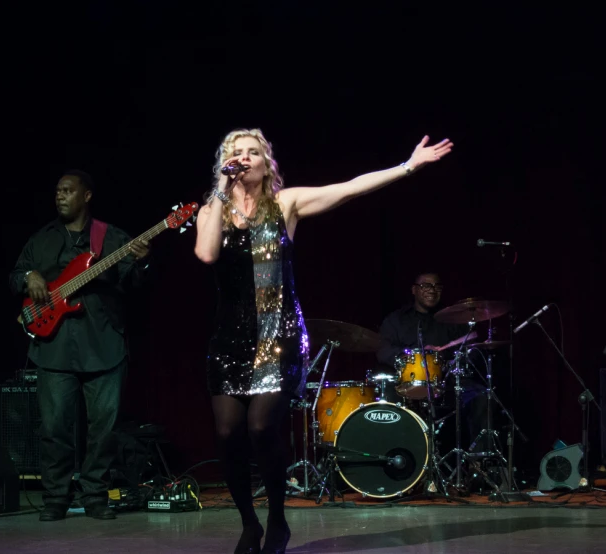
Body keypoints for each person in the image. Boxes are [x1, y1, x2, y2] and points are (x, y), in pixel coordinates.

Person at [194, 129, 453, 553]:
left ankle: (277, 519)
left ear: (266, 162)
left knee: (261, 427)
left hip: (278, 337)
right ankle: (249, 524)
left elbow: (348, 189)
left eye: (252, 152)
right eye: (235, 153)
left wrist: (408, 167)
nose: (244, 159)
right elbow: (206, 255)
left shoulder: (284, 203)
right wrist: (221, 189)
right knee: (227, 434)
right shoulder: (213, 210)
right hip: (230, 340)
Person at [9, 169, 151, 521]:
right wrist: (30, 277)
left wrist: (142, 260)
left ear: (86, 196)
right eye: (57, 191)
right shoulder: (40, 239)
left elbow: (134, 284)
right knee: (55, 428)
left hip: (103, 345)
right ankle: (55, 498)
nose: (60, 196)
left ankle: (95, 497)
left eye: (68, 191)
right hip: (54, 347)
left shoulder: (112, 237)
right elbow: (15, 275)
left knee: (103, 430)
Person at [376, 272, 489, 469]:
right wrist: (407, 354)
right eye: (426, 286)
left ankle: (478, 464)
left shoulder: (452, 319)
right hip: (406, 386)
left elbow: (470, 348)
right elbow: (382, 349)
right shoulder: (396, 321)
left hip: (446, 383)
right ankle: (396, 464)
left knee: (482, 397)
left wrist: (452, 359)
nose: (432, 290)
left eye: (437, 286)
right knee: (385, 403)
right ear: (414, 290)